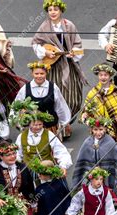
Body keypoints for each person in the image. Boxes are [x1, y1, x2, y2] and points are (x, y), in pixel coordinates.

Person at [32, 0, 86, 138]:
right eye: (50, 10)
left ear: (61, 10)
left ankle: (67, 120)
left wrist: (73, 52)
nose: (53, 12)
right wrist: (46, 53)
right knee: (55, 96)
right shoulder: (44, 26)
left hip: (68, 65)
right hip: (53, 67)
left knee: (72, 96)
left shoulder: (69, 25)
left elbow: (78, 44)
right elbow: (35, 43)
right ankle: (60, 126)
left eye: (55, 9)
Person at [72, 117, 117, 201]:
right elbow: (81, 162)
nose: (98, 132)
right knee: (92, 200)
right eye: (95, 129)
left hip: (107, 179)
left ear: (105, 129)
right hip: (91, 178)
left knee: (106, 200)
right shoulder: (87, 142)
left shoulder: (110, 142)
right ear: (91, 130)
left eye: (101, 129)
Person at [12, 62, 71, 139]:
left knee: (51, 149)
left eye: (42, 73)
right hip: (32, 128)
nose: (39, 76)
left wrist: (65, 123)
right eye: (36, 74)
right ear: (32, 74)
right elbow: (16, 106)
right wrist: (16, 121)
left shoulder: (53, 88)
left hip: (50, 127)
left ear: (46, 73)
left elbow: (60, 106)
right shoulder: (25, 89)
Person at [81, 64, 117, 153]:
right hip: (98, 132)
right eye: (101, 75)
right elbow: (86, 111)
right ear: (98, 76)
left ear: (110, 76)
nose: (103, 77)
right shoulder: (93, 93)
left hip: (116, 132)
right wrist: (85, 117)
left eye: (106, 75)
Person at [14, 111, 72, 180]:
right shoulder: (21, 136)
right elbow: (17, 155)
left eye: (40, 124)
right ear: (29, 124)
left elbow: (61, 151)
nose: (38, 127)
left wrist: (63, 166)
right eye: (35, 125)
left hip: (48, 170)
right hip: (29, 173)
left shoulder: (49, 134)